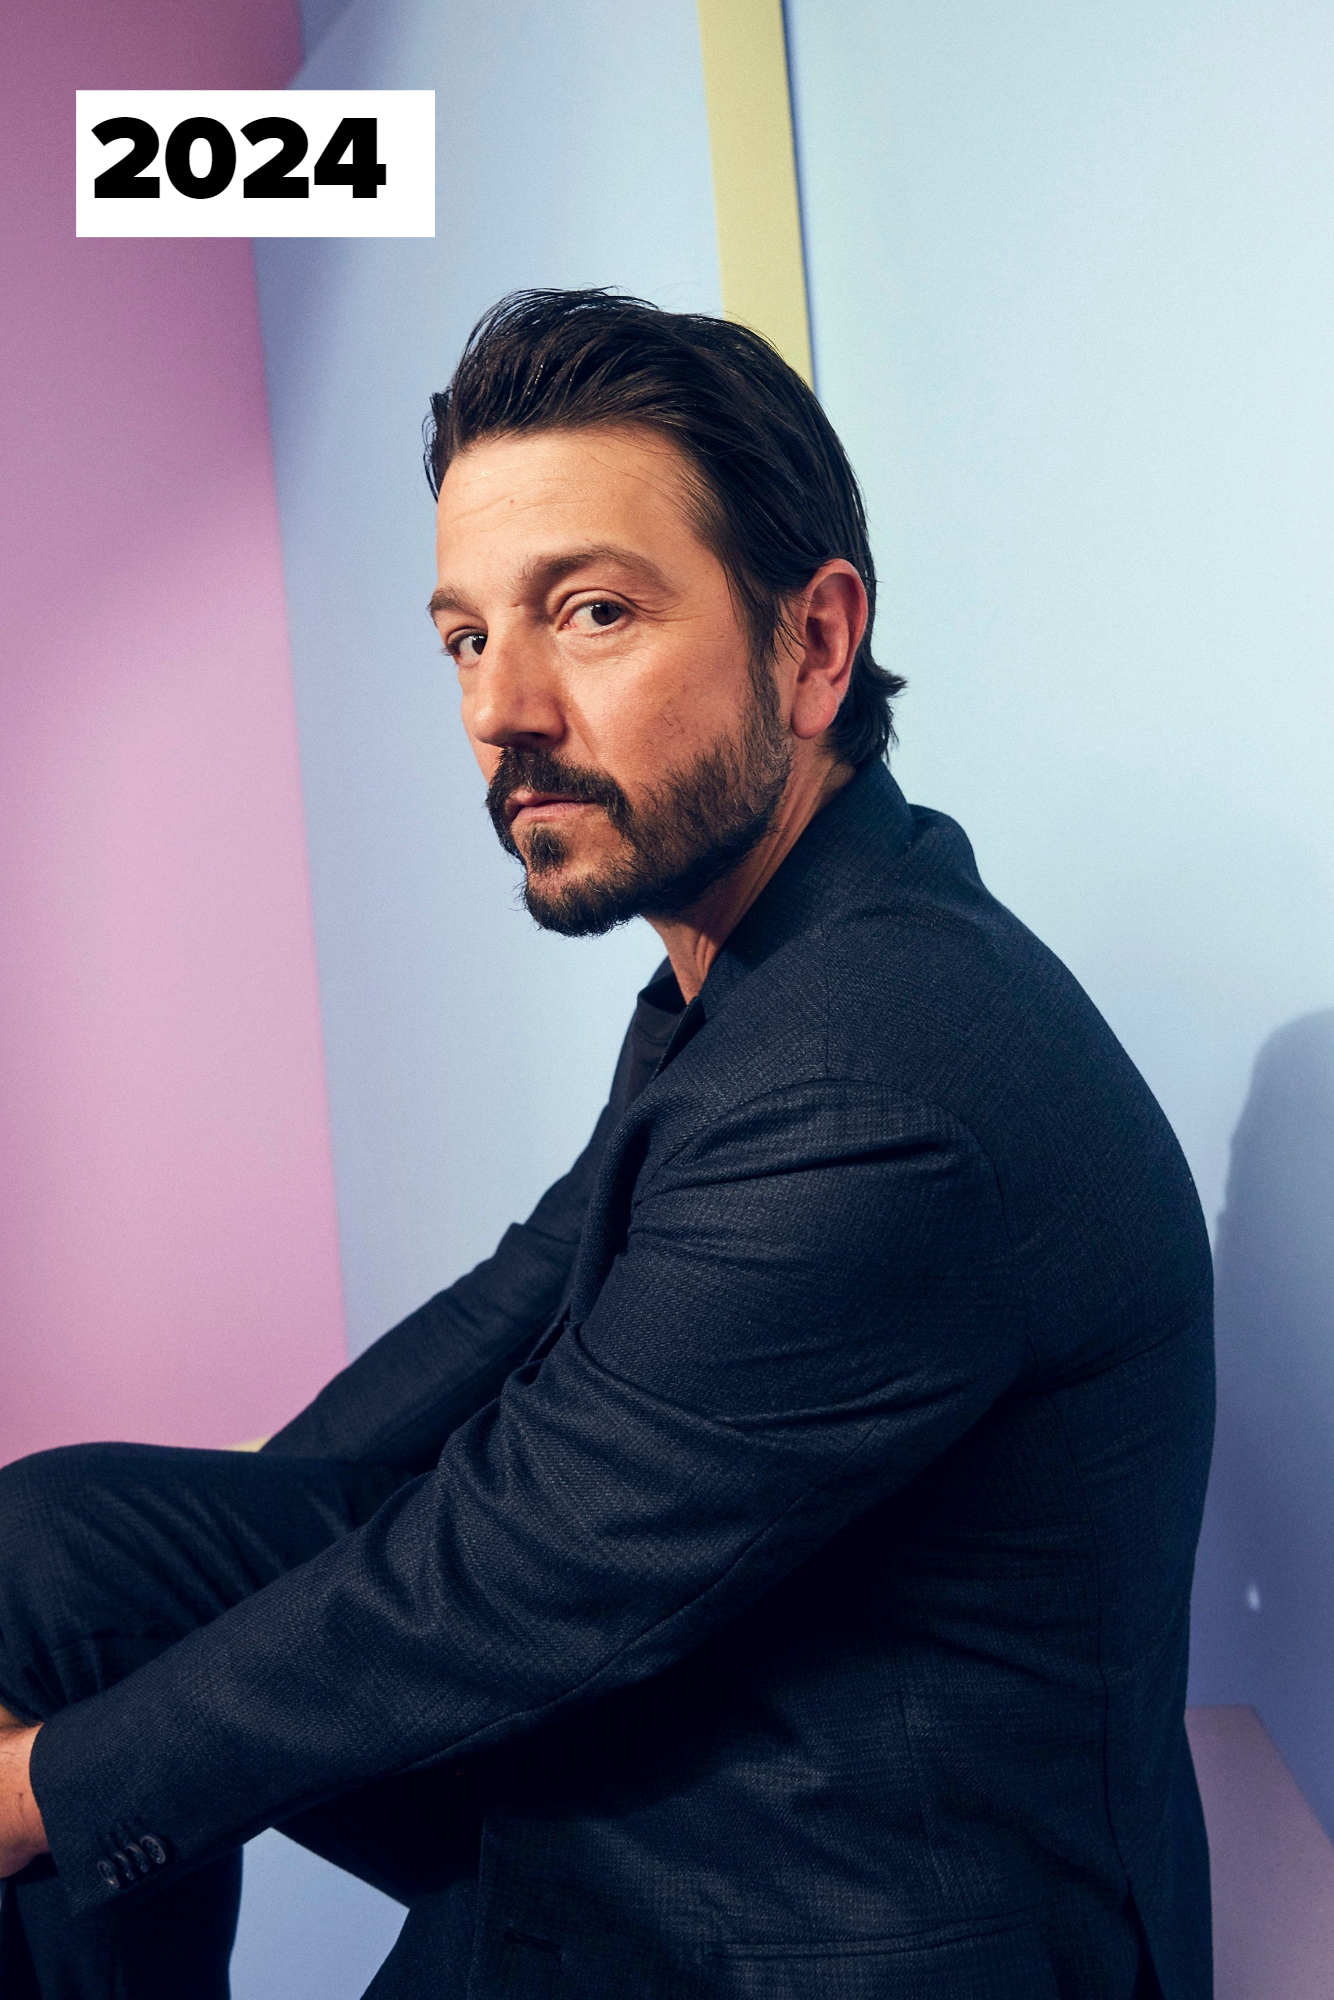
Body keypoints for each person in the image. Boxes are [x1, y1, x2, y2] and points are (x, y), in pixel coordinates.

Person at [0, 290, 1214, 1999]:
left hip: (838, 1893)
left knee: (98, 1750)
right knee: (48, 1561)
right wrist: (192, 1595)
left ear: (812, 644)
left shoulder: (879, 1080)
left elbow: (501, 1574)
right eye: (465, 638)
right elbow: (525, 1295)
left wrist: (50, 1791)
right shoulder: (782, 946)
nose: (504, 708)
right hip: (718, 1716)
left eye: (588, 613)